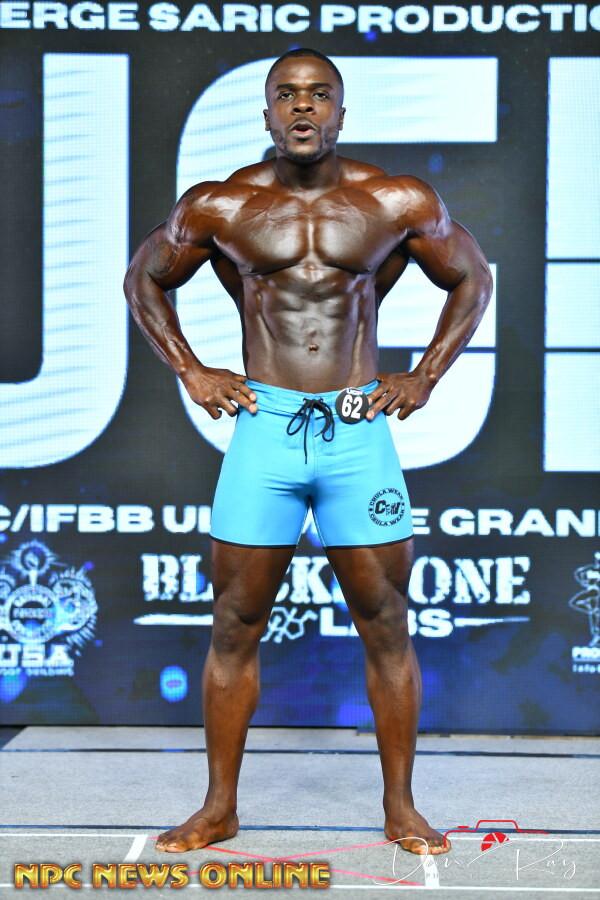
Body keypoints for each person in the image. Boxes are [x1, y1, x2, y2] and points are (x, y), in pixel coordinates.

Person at [123, 48, 493, 856]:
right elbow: (144, 278)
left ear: (340, 112)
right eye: (286, 95)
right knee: (234, 621)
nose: (302, 107)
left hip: (357, 432)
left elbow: (472, 276)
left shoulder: (394, 200)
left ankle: (401, 807)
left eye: (318, 94)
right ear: (265, 113)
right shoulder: (222, 205)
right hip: (267, 430)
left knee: (386, 620)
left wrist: (426, 375)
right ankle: (218, 808)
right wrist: (191, 368)